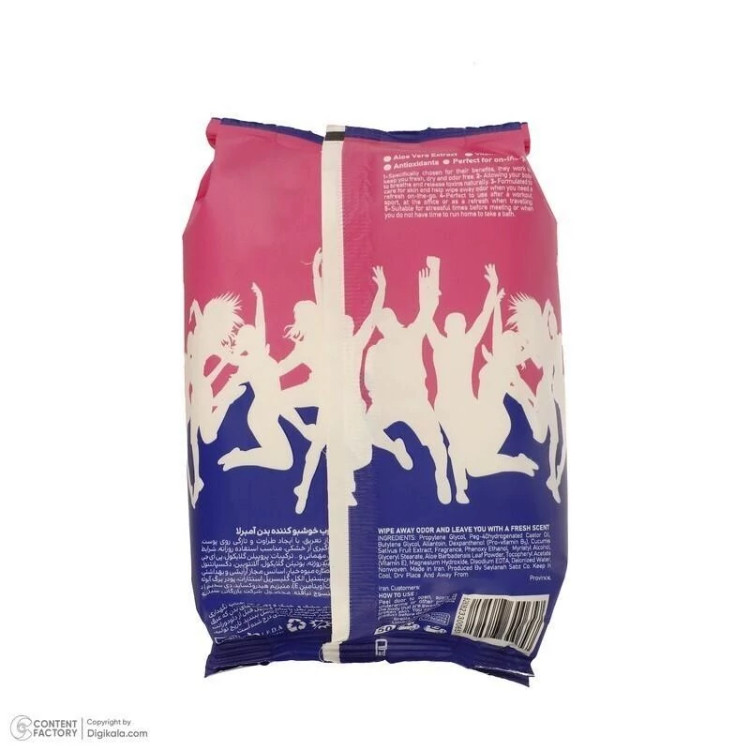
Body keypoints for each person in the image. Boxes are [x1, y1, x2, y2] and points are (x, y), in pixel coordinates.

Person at [364, 257, 451, 504]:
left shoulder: (411, 334)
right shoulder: (376, 349)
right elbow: (368, 380)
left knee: (437, 443)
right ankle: (396, 448)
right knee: (368, 430)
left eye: (388, 322)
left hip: (415, 402)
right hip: (387, 403)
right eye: (381, 325)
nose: (385, 328)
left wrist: (435, 270)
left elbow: (429, 307)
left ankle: (442, 478)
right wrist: (377, 397)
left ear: (395, 321)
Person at [217, 283, 313, 473]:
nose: (257, 333)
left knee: (283, 460)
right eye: (252, 333)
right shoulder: (249, 364)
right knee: (284, 461)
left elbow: (261, 323)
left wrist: (259, 297)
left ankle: (239, 457)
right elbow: (278, 400)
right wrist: (302, 427)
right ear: (249, 341)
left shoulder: (259, 353)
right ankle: (239, 458)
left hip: (268, 410)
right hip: (261, 415)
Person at [185, 293, 242, 506]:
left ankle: (196, 483)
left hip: (201, 389)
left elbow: (197, 306)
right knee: (198, 438)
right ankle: (196, 482)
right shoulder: (206, 336)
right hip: (200, 389)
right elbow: (197, 307)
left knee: (203, 437)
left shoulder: (201, 334)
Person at [508, 295, 566, 502]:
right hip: (545, 393)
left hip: (553, 392)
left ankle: (553, 479)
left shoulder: (552, 341)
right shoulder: (538, 345)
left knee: (556, 438)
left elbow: (550, 320)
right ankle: (523, 397)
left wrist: (548, 311)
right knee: (541, 436)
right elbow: (524, 358)